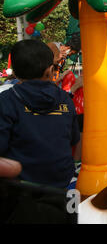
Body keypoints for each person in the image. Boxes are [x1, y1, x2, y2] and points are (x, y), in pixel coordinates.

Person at [0, 39, 80, 188]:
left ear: (15, 73)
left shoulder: (6, 101)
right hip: (62, 187)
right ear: (50, 70)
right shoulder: (66, 99)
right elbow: (76, 142)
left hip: (20, 193)